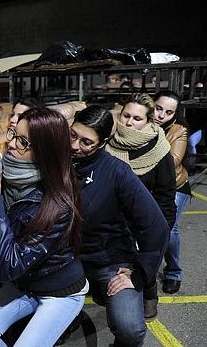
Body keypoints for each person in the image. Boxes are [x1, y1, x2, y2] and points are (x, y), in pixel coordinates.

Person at [0, 108, 87, 346]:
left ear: (45, 152)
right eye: (13, 134)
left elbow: (9, 266)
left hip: (59, 291)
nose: (12, 145)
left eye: (24, 141)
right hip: (25, 282)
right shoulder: (2, 174)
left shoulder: (56, 204)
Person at [70, 105, 169, 345]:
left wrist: (140, 274)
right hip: (67, 260)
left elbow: (157, 226)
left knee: (130, 330)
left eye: (86, 142)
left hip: (110, 262)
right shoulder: (57, 161)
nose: (75, 146)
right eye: (72, 135)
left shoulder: (117, 172)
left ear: (102, 143)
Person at [106, 93, 176, 320]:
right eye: (126, 115)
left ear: (148, 121)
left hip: (148, 220)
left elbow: (166, 194)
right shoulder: (109, 143)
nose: (129, 122)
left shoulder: (159, 147)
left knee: (146, 258)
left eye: (137, 118)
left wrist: (162, 229)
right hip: (117, 220)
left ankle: (149, 292)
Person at [153, 90, 191, 294]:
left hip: (174, 184)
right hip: (147, 185)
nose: (161, 115)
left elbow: (173, 162)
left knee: (170, 228)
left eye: (168, 112)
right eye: (158, 109)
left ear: (174, 114)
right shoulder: (139, 119)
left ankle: (173, 272)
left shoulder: (179, 130)